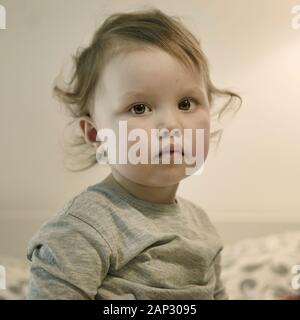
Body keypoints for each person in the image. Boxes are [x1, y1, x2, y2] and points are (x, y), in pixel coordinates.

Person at [26, 7, 241, 300]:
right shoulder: (82, 231)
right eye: (139, 108)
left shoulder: (201, 225)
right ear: (96, 136)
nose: (172, 125)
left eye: (187, 103)